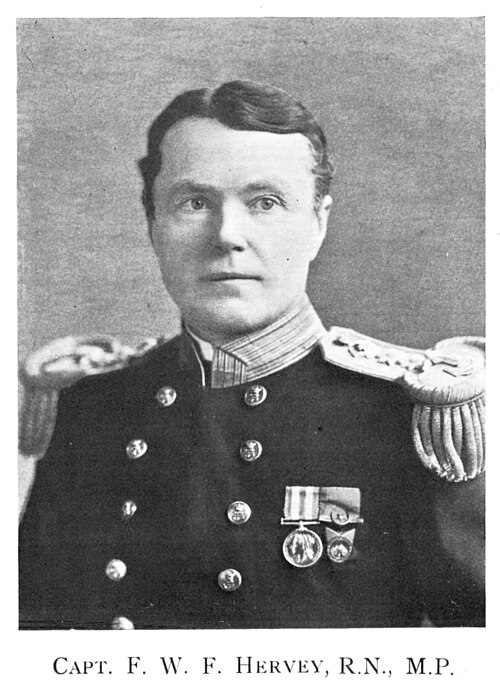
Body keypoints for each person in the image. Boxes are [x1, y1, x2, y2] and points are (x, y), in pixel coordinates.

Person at [18, 80, 485, 630]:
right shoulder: (91, 407)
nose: (227, 236)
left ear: (318, 223)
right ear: (152, 226)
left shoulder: (412, 418)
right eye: (194, 203)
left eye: (265, 203)